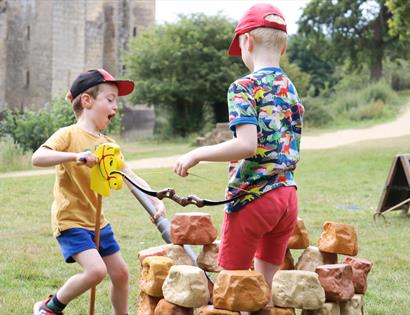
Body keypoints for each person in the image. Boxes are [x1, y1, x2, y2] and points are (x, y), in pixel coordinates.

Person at [174, 2, 304, 302]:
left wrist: (198, 154)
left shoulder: (243, 87)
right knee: (264, 289)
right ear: (282, 47)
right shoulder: (289, 87)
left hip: (253, 199)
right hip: (287, 197)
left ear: (247, 41)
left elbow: (247, 145)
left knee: (234, 287)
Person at [32, 69, 166, 315]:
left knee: (121, 273)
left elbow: (131, 177)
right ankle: (49, 308)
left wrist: (155, 199)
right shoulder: (68, 135)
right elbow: (38, 157)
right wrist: (76, 156)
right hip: (71, 220)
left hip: (98, 222)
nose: (116, 107)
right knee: (96, 271)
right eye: (110, 99)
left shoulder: (109, 145)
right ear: (87, 100)